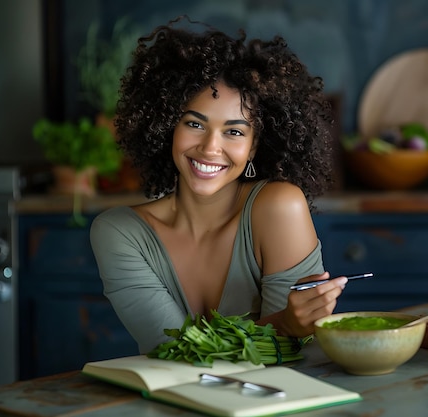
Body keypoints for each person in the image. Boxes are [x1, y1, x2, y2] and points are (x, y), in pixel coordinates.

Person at [90, 19, 348, 354]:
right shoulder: (120, 233)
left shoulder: (278, 207)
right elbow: (172, 351)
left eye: (235, 131)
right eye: (195, 124)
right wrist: (282, 324)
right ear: (167, 126)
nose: (211, 148)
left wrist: (289, 330)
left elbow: (295, 354)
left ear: (255, 146)